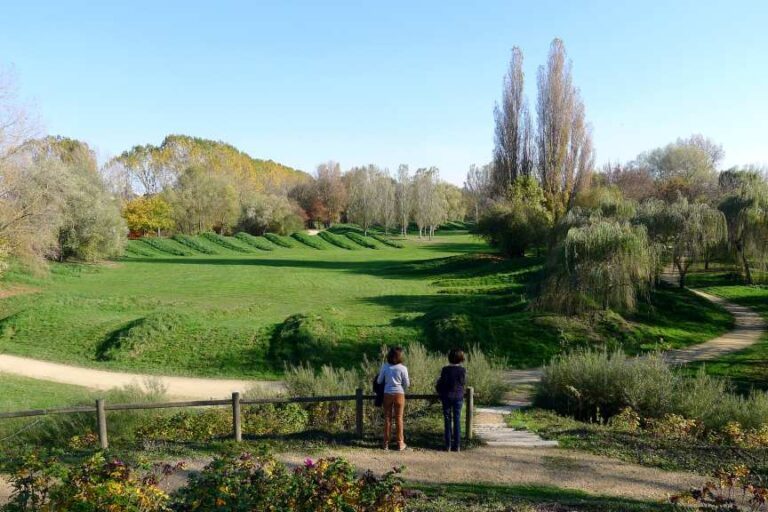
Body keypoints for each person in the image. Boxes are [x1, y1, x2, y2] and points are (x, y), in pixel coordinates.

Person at [376, 346, 410, 451]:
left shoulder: (385, 367)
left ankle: (386, 443)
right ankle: (400, 443)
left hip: (387, 394)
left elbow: (379, 381)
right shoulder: (403, 368)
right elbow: (407, 384)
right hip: (399, 393)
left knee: (387, 418)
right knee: (399, 418)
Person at [436, 348, 466, 452]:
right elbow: (462, 383)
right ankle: (457, 445)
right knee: (457, 420)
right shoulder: (462, 370)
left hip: (447, 396)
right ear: (461, 359)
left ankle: (448, 445)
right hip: (458, 396)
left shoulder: (445, 369)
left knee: (447, 420)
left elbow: (443, 383)